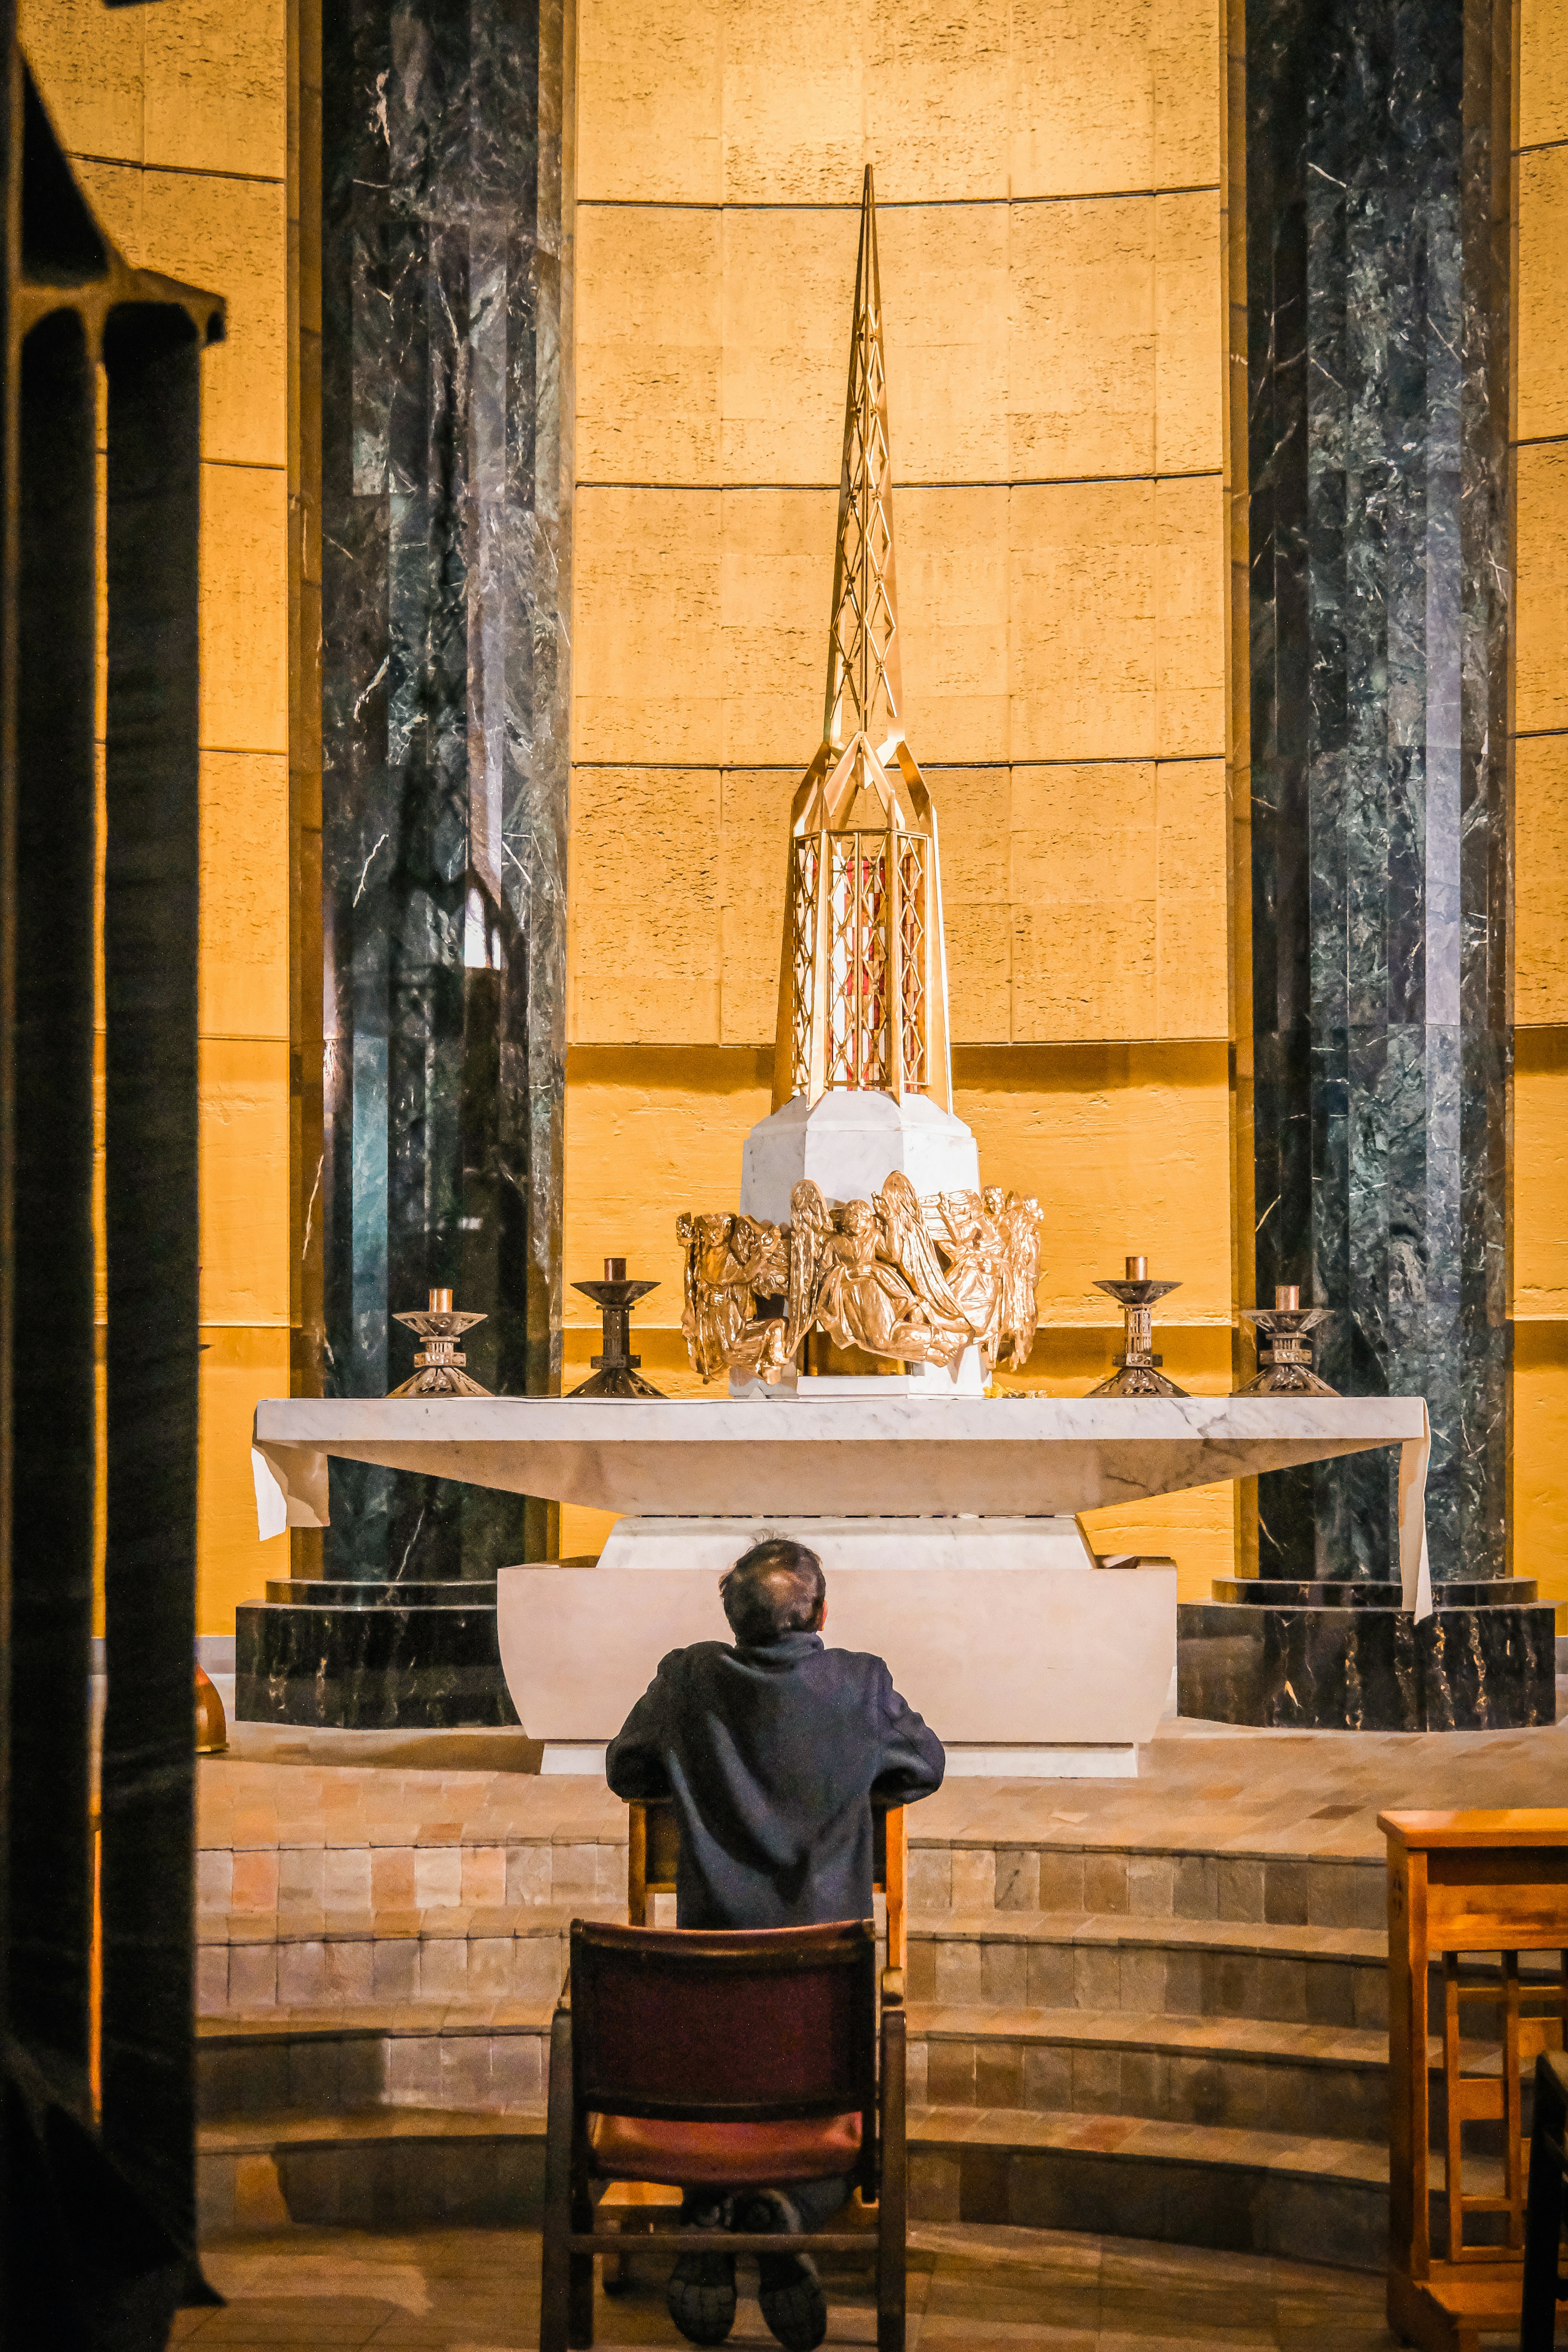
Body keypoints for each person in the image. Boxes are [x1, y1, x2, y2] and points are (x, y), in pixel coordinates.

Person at [606, 1537, 945, 2352]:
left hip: (704, 2009)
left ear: (730, 1620)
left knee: (706, 2092)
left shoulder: (688, 1678)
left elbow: (626, 1770)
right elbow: (924, 1766)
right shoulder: (860, 1685)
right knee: (835, 2101)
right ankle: (785, 2215)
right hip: (815, 2011)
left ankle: (710, 2221)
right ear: (822, 1614)